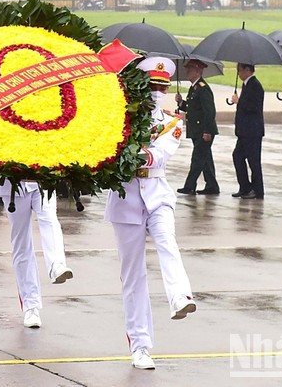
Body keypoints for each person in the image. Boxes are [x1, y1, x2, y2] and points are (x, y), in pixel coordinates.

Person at [106, 56, 196, 370]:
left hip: (157, 194)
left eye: (162, 86)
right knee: (133, 277)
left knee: (167, 242)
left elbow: (159, 156)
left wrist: (135, 152)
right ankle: (140, 346)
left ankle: (180, 297)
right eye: (152, 85)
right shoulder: (118, 117)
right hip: (126, 199)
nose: (157, 92)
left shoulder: (172, 121)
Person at [0, 181, 73, 329]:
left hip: (42, 179)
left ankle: (57, 265)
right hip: (13, 184)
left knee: (49, 218)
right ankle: (31, 306)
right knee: (21, 243)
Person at [175, 59, 219, 195]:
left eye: (190, 69)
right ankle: (212, 186)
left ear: (198, 71)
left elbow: (209, 111)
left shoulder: (203, 88)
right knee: (205, 159)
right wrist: (181, 102)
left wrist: (207, 131)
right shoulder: (194, 87)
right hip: (197, 130)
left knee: (197, 159)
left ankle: (189, 186)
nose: (187, 72)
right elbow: (193, 108)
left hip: (203, 131)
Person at [231, 63, 265, 200]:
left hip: (252, 131)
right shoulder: (246, 85)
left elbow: (254, 107)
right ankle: (245, 187)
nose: (238, 73)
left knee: (253, 161)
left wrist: (239, 102)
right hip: (245, 131)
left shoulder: (255, 85)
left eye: (239, 70)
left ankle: (257, 190)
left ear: (247, 70)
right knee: (237, 156)